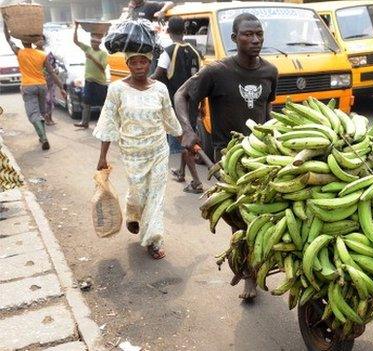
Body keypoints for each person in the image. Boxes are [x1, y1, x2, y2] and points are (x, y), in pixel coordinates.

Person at [174, 13, 278, 301]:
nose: (255, 39)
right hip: (227, 157)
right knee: (241, 221)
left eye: (258, 34)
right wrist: (187, 130)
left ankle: (260, 262)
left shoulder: (270, 71)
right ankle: (247, 274)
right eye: (247, 34)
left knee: (267, 217)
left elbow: (266, 111)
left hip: (262, 155)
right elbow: (181, 95)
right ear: (234, 38)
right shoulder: (216, 71)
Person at [94, 52, 182, 260]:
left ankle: (153, 240)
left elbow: (169, 116)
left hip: (159, 149)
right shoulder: (116, 89)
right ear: (128, 64)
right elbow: (108, 121)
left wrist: (183, 135)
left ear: (150, 64)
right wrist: (102, 156)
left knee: (155, 196)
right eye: (134, 62)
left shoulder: (160, 88)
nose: (139, 66)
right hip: (132, 152)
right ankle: (133, 214)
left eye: (143, 62)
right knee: (138, 192)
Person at [152, 16, 203, 193]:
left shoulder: (168, 51)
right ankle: (181, 172)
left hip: (177, 105)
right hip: (193, 103)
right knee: (186, 137)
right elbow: (200, 81)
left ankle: (197, 182)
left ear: (168, 31)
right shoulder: (196, 52)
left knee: (185, 141)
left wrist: (141, 81)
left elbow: (158, 74)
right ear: (185, 30)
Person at [3, 26, 66, 151]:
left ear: (22, 41)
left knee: (33, 114)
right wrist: (62, 88)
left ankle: (43, 138)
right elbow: (52, 73)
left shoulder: (19, 52)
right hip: (42, 86)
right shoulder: (42, 54)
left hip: (28, 86)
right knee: (41, 112)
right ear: (32, 42)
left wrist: (6, 24)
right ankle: (41, 135)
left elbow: (8, 39)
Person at [73, 23, 109, 129]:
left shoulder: (103, 54)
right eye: (91, 41)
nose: (93, 43)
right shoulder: (88, 49)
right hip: (89, 81)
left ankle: (103, 123)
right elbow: (76, 41)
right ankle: (85, 122)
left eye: (95, 42)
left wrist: (92, 58)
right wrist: (76, 27)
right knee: (86, 102)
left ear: (99, 43)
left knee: (102, 104)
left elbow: (103, 68)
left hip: (100, 82)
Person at [35, 36, 56, 126]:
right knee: (45, 100)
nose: (40, 41)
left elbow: (54, 64)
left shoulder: (48, 52)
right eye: (38, 39)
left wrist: (56, 70)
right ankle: (45, 118)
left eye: (41, 39)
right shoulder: (33, 53)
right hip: (40, 80)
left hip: (51, 80)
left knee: (51, 99)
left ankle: (50, 117)